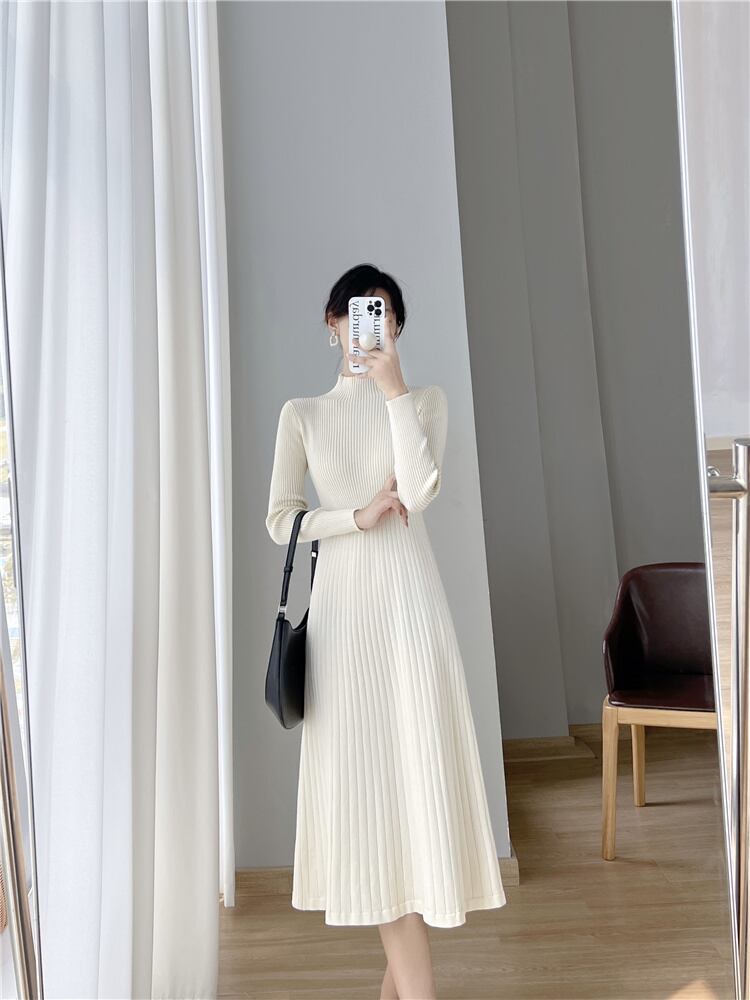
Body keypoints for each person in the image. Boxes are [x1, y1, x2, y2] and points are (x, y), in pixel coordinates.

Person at [265, 263, 506, 999]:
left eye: (384, 317)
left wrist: (394, 389)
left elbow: (422, 490)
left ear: (396, 328)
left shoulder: (422, 401)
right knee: (371, 802)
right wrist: (356, 516)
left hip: (409, 611)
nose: (368, 328)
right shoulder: (303, 414)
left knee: (411, 794)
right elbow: (281, 521)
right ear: (331, 323)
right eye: (356, 314)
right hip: (343, 620)